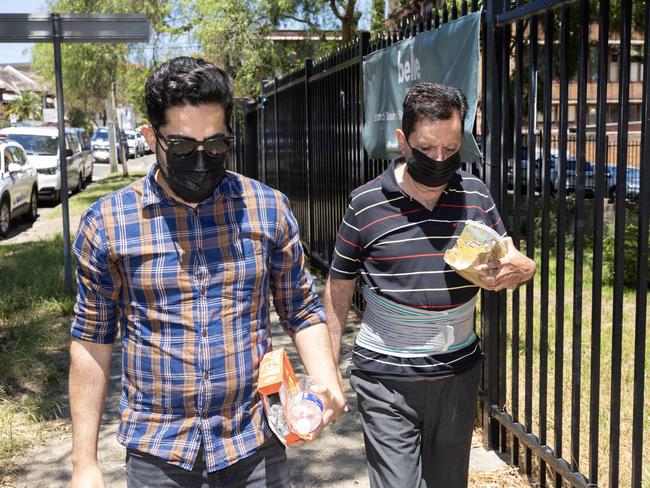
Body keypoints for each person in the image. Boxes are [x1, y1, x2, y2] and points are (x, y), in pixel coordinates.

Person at [69, 56, 346, 488]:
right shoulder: (108, 223)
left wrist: (328, 381)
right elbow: (92, 340)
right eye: (181, 147)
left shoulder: (267, 208)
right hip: (158, 453)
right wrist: (84, 463)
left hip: (254, 444)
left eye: (215, 146)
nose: (200, 159)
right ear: (151, 137)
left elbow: (302, 309)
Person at [322, 82, 535, 488]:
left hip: (456, 375)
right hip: (386, 378)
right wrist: (327, 372)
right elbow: (338, 287)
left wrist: (524, 268)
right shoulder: (365, 204)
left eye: (451, 150)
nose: (439, 159)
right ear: (403, 142)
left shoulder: (474, 193)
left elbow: (509, 255)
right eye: (427, 149)